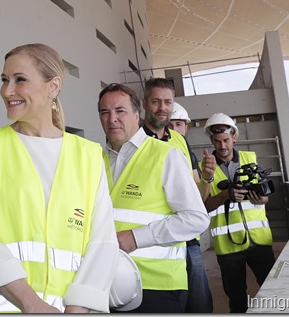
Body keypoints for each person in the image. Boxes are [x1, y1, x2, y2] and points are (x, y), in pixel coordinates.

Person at [0, 43, 118, 313]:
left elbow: (103, 241)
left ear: (53, 87)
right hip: (1, 308)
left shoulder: (89, 155)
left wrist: (77, 308)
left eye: (19, 79)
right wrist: (32, 305)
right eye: (4, 80)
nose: (7, 91)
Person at [98, 83, 209, 313]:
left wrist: (136, 238)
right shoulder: (94, 160)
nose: (112, 119)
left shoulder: (166, 155)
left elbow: (196, 219)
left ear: (137, 115)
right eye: (104, 112)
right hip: (106, 283)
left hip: (158, 287)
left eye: (120, 111)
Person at [141, 80, 214, 313]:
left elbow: (198, 196)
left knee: (199, 306)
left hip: (187, 241)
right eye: (155, 101)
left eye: (167, 102)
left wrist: (208, 178)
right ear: (144, 104)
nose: (162, 107)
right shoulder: (134, 141)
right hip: (150, 244)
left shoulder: (179, 140)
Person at [201, 113, 274, 313]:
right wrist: (226, 194)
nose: (222, 146)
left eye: (225, 140)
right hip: (228, 248)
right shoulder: (205, 170)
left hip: (259, 241)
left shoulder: (250, 158)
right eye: (217, 141)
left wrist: (263, 198)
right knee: (237, 300)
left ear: (234, 137)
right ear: (211, 141)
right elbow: (204, 206)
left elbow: (264, 194)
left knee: (274, 291)